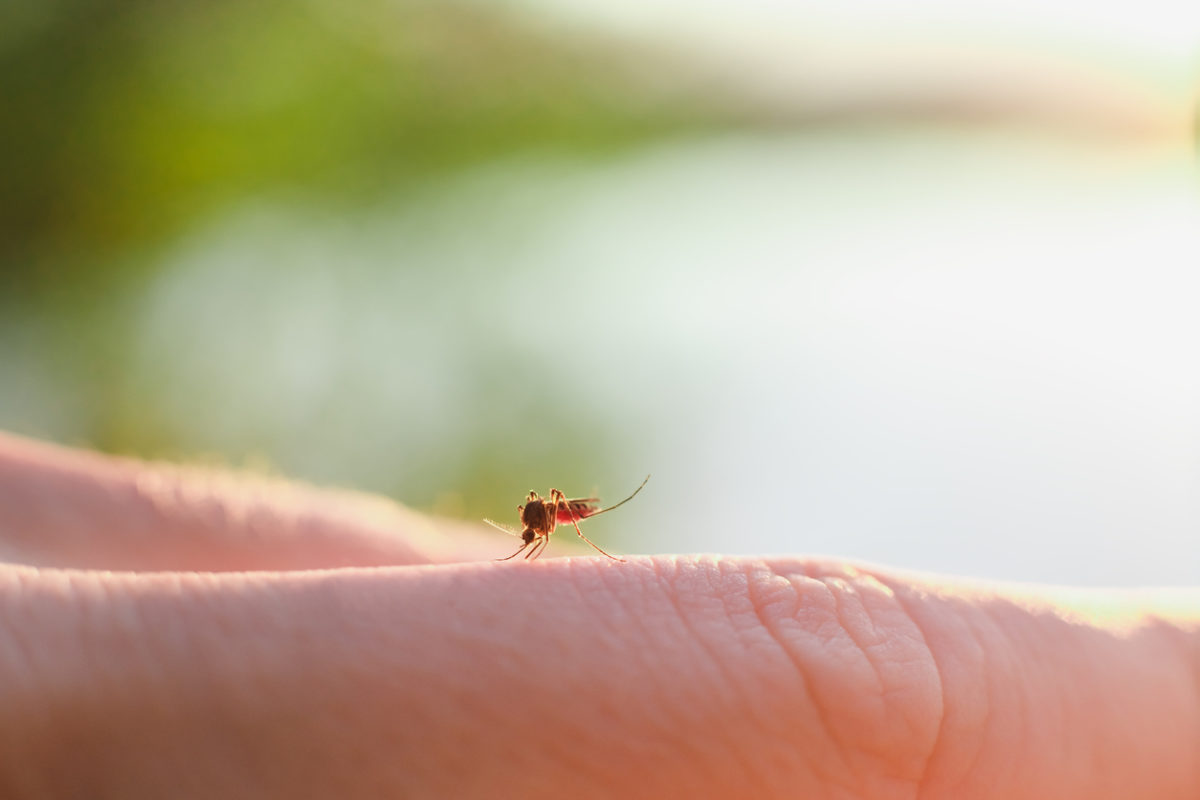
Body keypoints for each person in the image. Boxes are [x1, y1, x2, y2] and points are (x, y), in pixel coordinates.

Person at [0, 431, 1195, 798]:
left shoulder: (550, 518)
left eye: (554, 524)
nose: (547, 527)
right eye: (551, 524)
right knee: (851, 686)